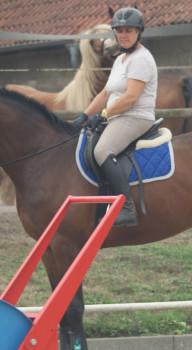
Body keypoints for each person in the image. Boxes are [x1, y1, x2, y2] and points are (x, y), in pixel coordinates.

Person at [73, 7, 157, 227]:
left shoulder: (141, 59)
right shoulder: (120, 60)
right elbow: (105, 93)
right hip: (118, 117)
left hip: (136, 116)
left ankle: (126, 207)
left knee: (102, 151)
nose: (123, 35)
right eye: (119, 30)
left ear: (139, 32)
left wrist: (103, 115)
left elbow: (130, 98)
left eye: (128, 30)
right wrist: (84, 115)